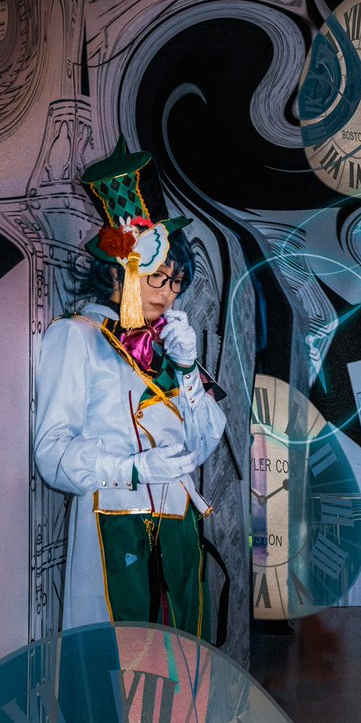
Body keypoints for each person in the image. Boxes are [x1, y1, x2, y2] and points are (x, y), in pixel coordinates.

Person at [34, 137, 227, 642]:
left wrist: (187, 369)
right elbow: (52, 453)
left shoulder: (170, 343)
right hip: (113, 524)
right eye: (159, 278)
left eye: (177, 282)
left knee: (184, 657)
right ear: (121, 271)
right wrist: (133, 468)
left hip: (178, 525)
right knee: (120, 660)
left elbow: (205, 441)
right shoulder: (75, 337)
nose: (169, 294)